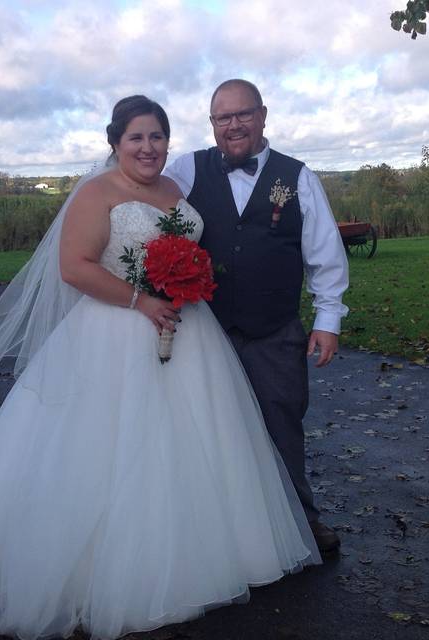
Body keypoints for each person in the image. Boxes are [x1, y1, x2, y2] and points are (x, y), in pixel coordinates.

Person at [0, 95, 320, 640]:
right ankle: (111, 572)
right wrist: (142, 300)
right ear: (115, 143)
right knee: (112, 447)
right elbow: (74, 268)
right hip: (115, 331)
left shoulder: (177, 190)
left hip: (188, 331)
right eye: (136, 137)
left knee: (193, 442)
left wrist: (184, 284)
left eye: (157, 136)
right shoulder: (96, 193)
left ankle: (200, 551)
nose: (148, 147)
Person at [165, 79, 350, 553]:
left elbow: (325, 255)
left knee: (282, 426)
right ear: (212, 123)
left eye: (243, 114)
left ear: (263, 115)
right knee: (206, 429)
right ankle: (215, 532)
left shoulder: (298, 177)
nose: (234, 125)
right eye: (223, 118)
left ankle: (300, 525)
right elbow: (146, 212)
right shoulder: (187, 169)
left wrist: (328, 320)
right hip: (206, 331)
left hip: (274, 330)